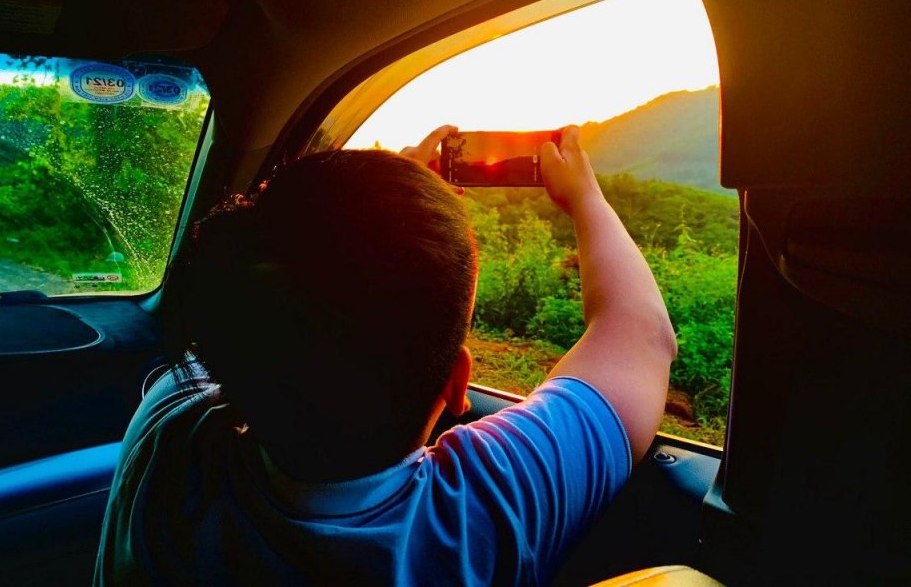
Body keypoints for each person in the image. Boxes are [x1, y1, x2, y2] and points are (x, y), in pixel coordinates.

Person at [94, 125, 676, 586]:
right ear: (456, 385)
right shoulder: (481, 508)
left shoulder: (169, 432)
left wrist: (373, 206)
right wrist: (584, 196)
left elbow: (227, 316)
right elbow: (642, 335)